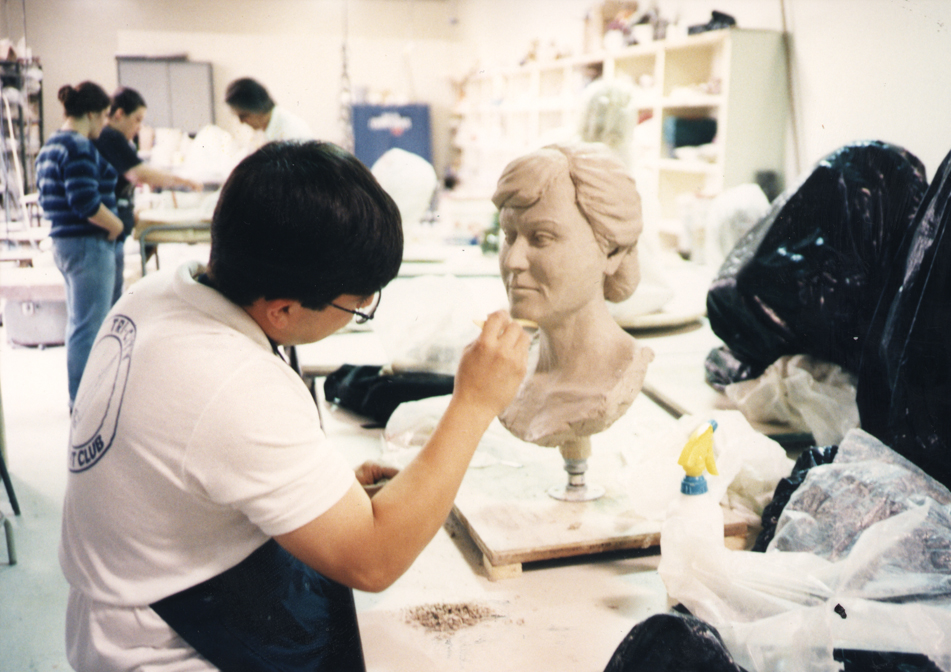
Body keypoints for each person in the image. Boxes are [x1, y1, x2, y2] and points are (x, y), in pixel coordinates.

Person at [58, 140, 530, 671]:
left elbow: (197, 455)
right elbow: (373, 562)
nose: (360, 311)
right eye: (357, 305)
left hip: (143, 581)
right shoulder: (235, 382)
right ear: (281, 309)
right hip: (163, 646)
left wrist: (309, 492)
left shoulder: (161, 293)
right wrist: (473, 402)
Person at [492, 142, 654, 448]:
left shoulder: (611, 381)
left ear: (612, 252)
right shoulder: (511, 379)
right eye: (509, 236)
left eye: (541, 238)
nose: (513, 260)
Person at [36, 81, 125, 407]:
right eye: (103, 116)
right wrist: (115, 225)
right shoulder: (78, 146)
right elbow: (85, 201)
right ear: (90, 113)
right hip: (88, 244)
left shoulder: (51, 145)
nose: (104, 124)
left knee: (80, 323)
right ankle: (86, 404)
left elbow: (48, 198)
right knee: (89, 328)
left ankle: (83, 399)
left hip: (66, 244)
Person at [94, 86, 202, 301]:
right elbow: (139, 173)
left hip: (114, 230)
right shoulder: (110, 137)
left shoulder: (119, 141)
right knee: (104, 304)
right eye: (137, 119)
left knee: (111, 298)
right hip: (105, 231)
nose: (139, 127)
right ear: (119, 114)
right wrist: (183, 181)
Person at [224, 76, 312, 142]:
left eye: (243, 116)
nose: (241, 122)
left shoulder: (291, 133)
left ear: (259, 109)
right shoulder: (261, 131)